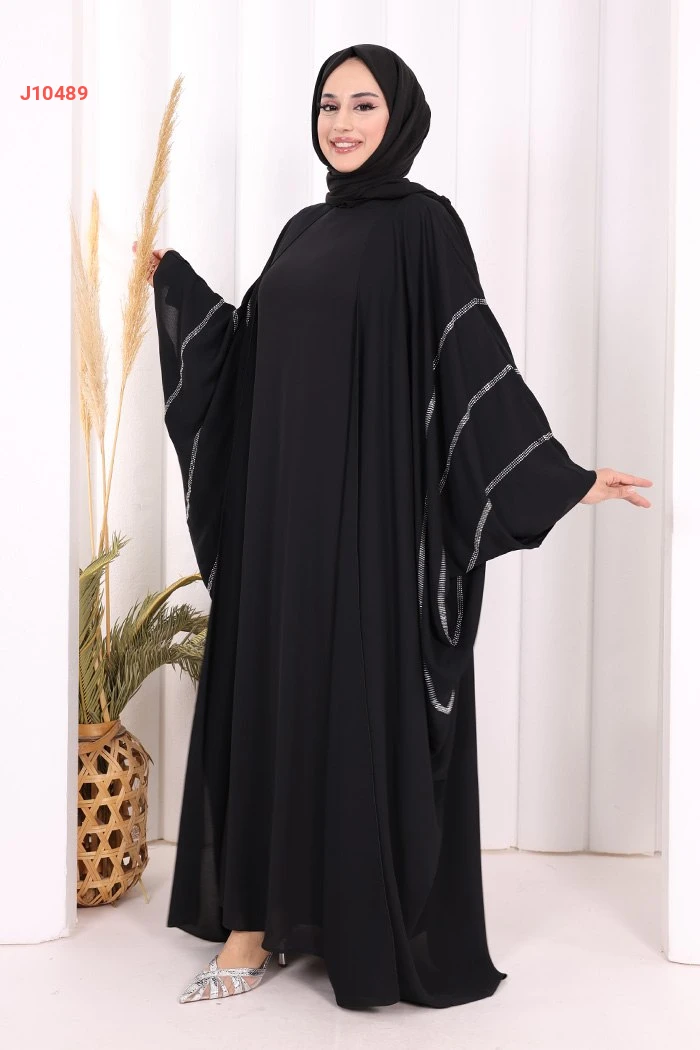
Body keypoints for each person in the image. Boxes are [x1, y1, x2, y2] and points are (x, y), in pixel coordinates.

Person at [137, 43, 652, 1010]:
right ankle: (253, 924)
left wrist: (562, 477)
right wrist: (184, 296)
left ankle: (348, 918)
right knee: (272, 690)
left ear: (400, 115)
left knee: (352, 702)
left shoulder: (425, 226)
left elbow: (470, 356)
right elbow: (250, 357)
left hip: (370, 524)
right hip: (278, 520)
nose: (342, 122)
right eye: (328, 104)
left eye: (363, 104)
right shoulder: (301, 229)